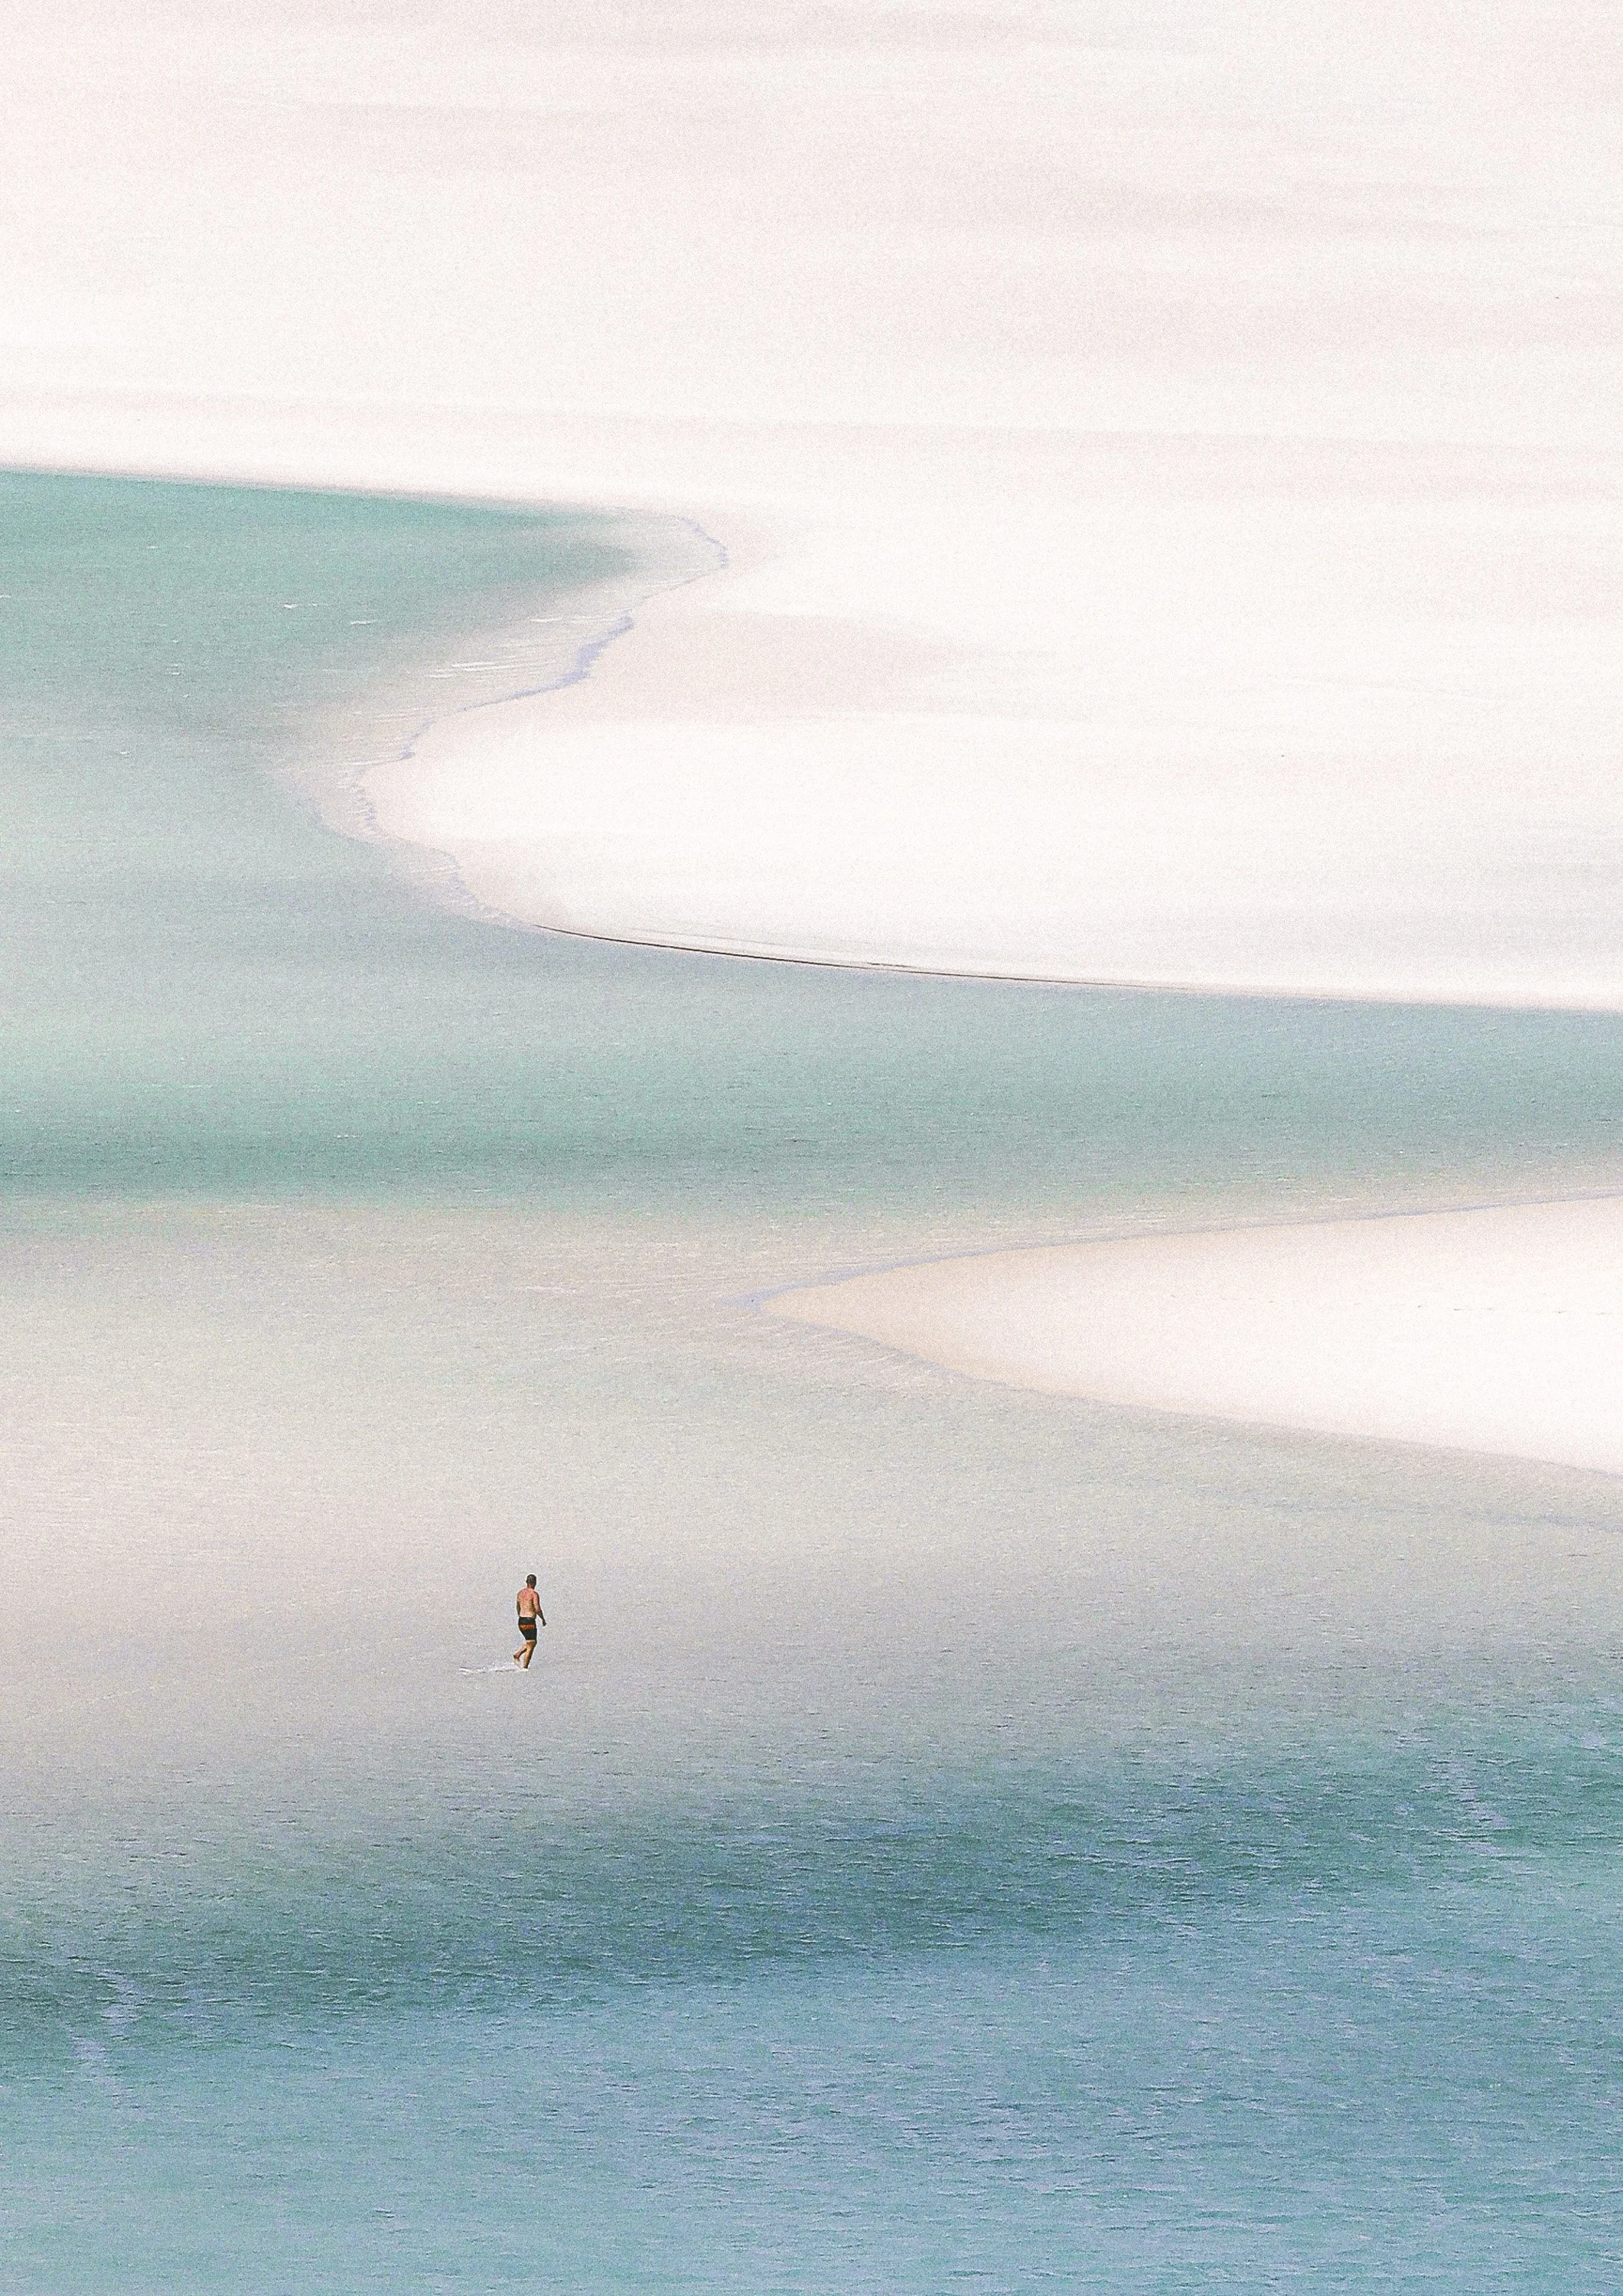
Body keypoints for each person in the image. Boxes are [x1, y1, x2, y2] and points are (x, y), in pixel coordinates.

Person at [514, 1574, 546, 1668]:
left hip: (521, 1621)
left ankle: (518, 1654)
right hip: (530, 1621)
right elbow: (537, 1608)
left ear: (526, 1582)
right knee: (531, 1644)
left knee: (531, 1642)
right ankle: (524, 1668)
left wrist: (520, 1616)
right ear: (535, 1583)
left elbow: (518, 1607)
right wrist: (543, 1619)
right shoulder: (534, 1594)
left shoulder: (520, 1593)